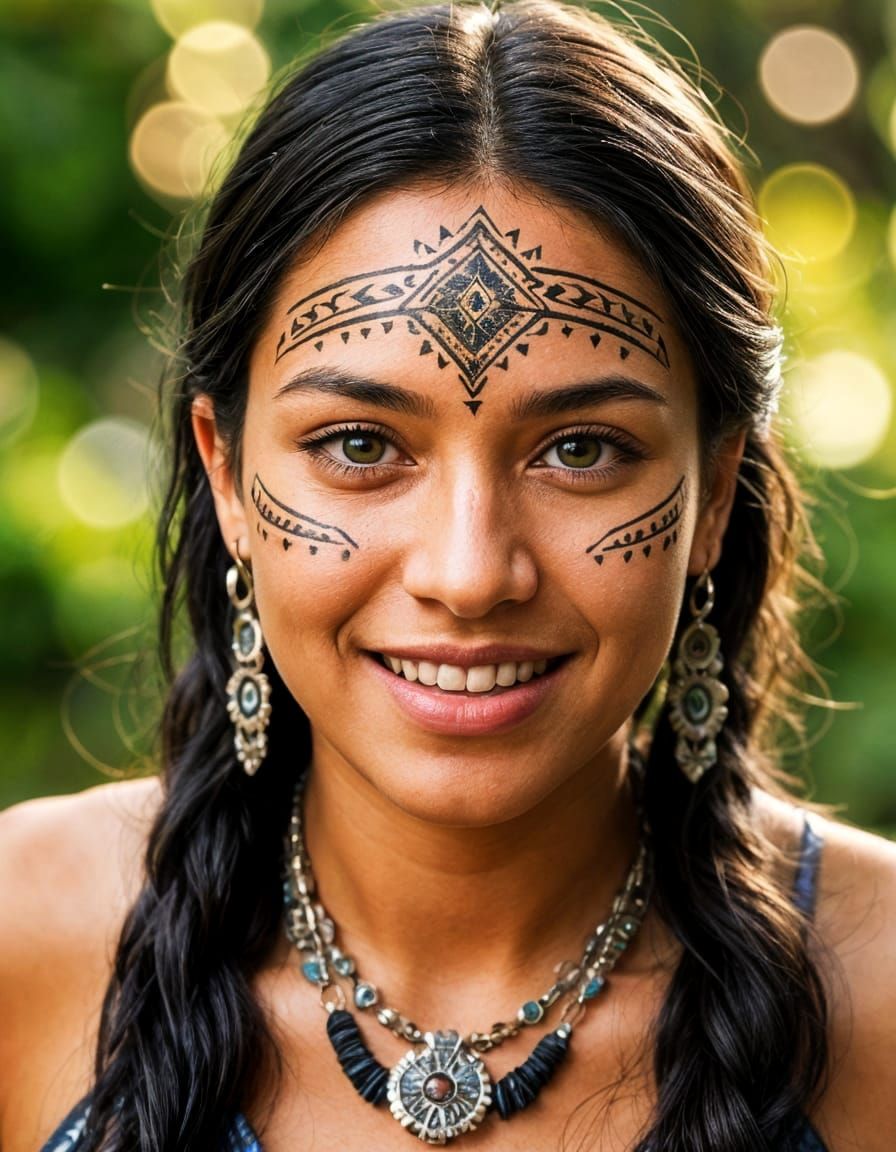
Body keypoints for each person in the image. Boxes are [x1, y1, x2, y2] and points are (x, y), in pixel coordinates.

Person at [1, 1, 894, 1149]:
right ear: (226, 475)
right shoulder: (28, 935)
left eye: (580, 451)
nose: (470, 573)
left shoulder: (875, 993)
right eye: (361, 447)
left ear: (713, 492)